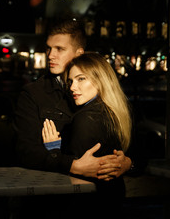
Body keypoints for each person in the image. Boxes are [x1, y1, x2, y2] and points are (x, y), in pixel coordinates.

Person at [14, 17, 132, 179]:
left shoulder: (102, 92)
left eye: (59, 49)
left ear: (79, 53)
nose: (51, 55)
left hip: (102, 197)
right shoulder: (33, 93)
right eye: (48, 48)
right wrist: (72, 165)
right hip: (55, 193)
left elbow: (134, 142)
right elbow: (25, 152)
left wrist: (127, 163)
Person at [43, 52, 132, 216]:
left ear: (100, 80)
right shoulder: (114, 112)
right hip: (112, 202)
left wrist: (54, 151)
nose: (72, 87)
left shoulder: (85, 118)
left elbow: (72, 182)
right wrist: (128, 163)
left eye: (81, 79)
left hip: (88, 206)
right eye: (71, 81)